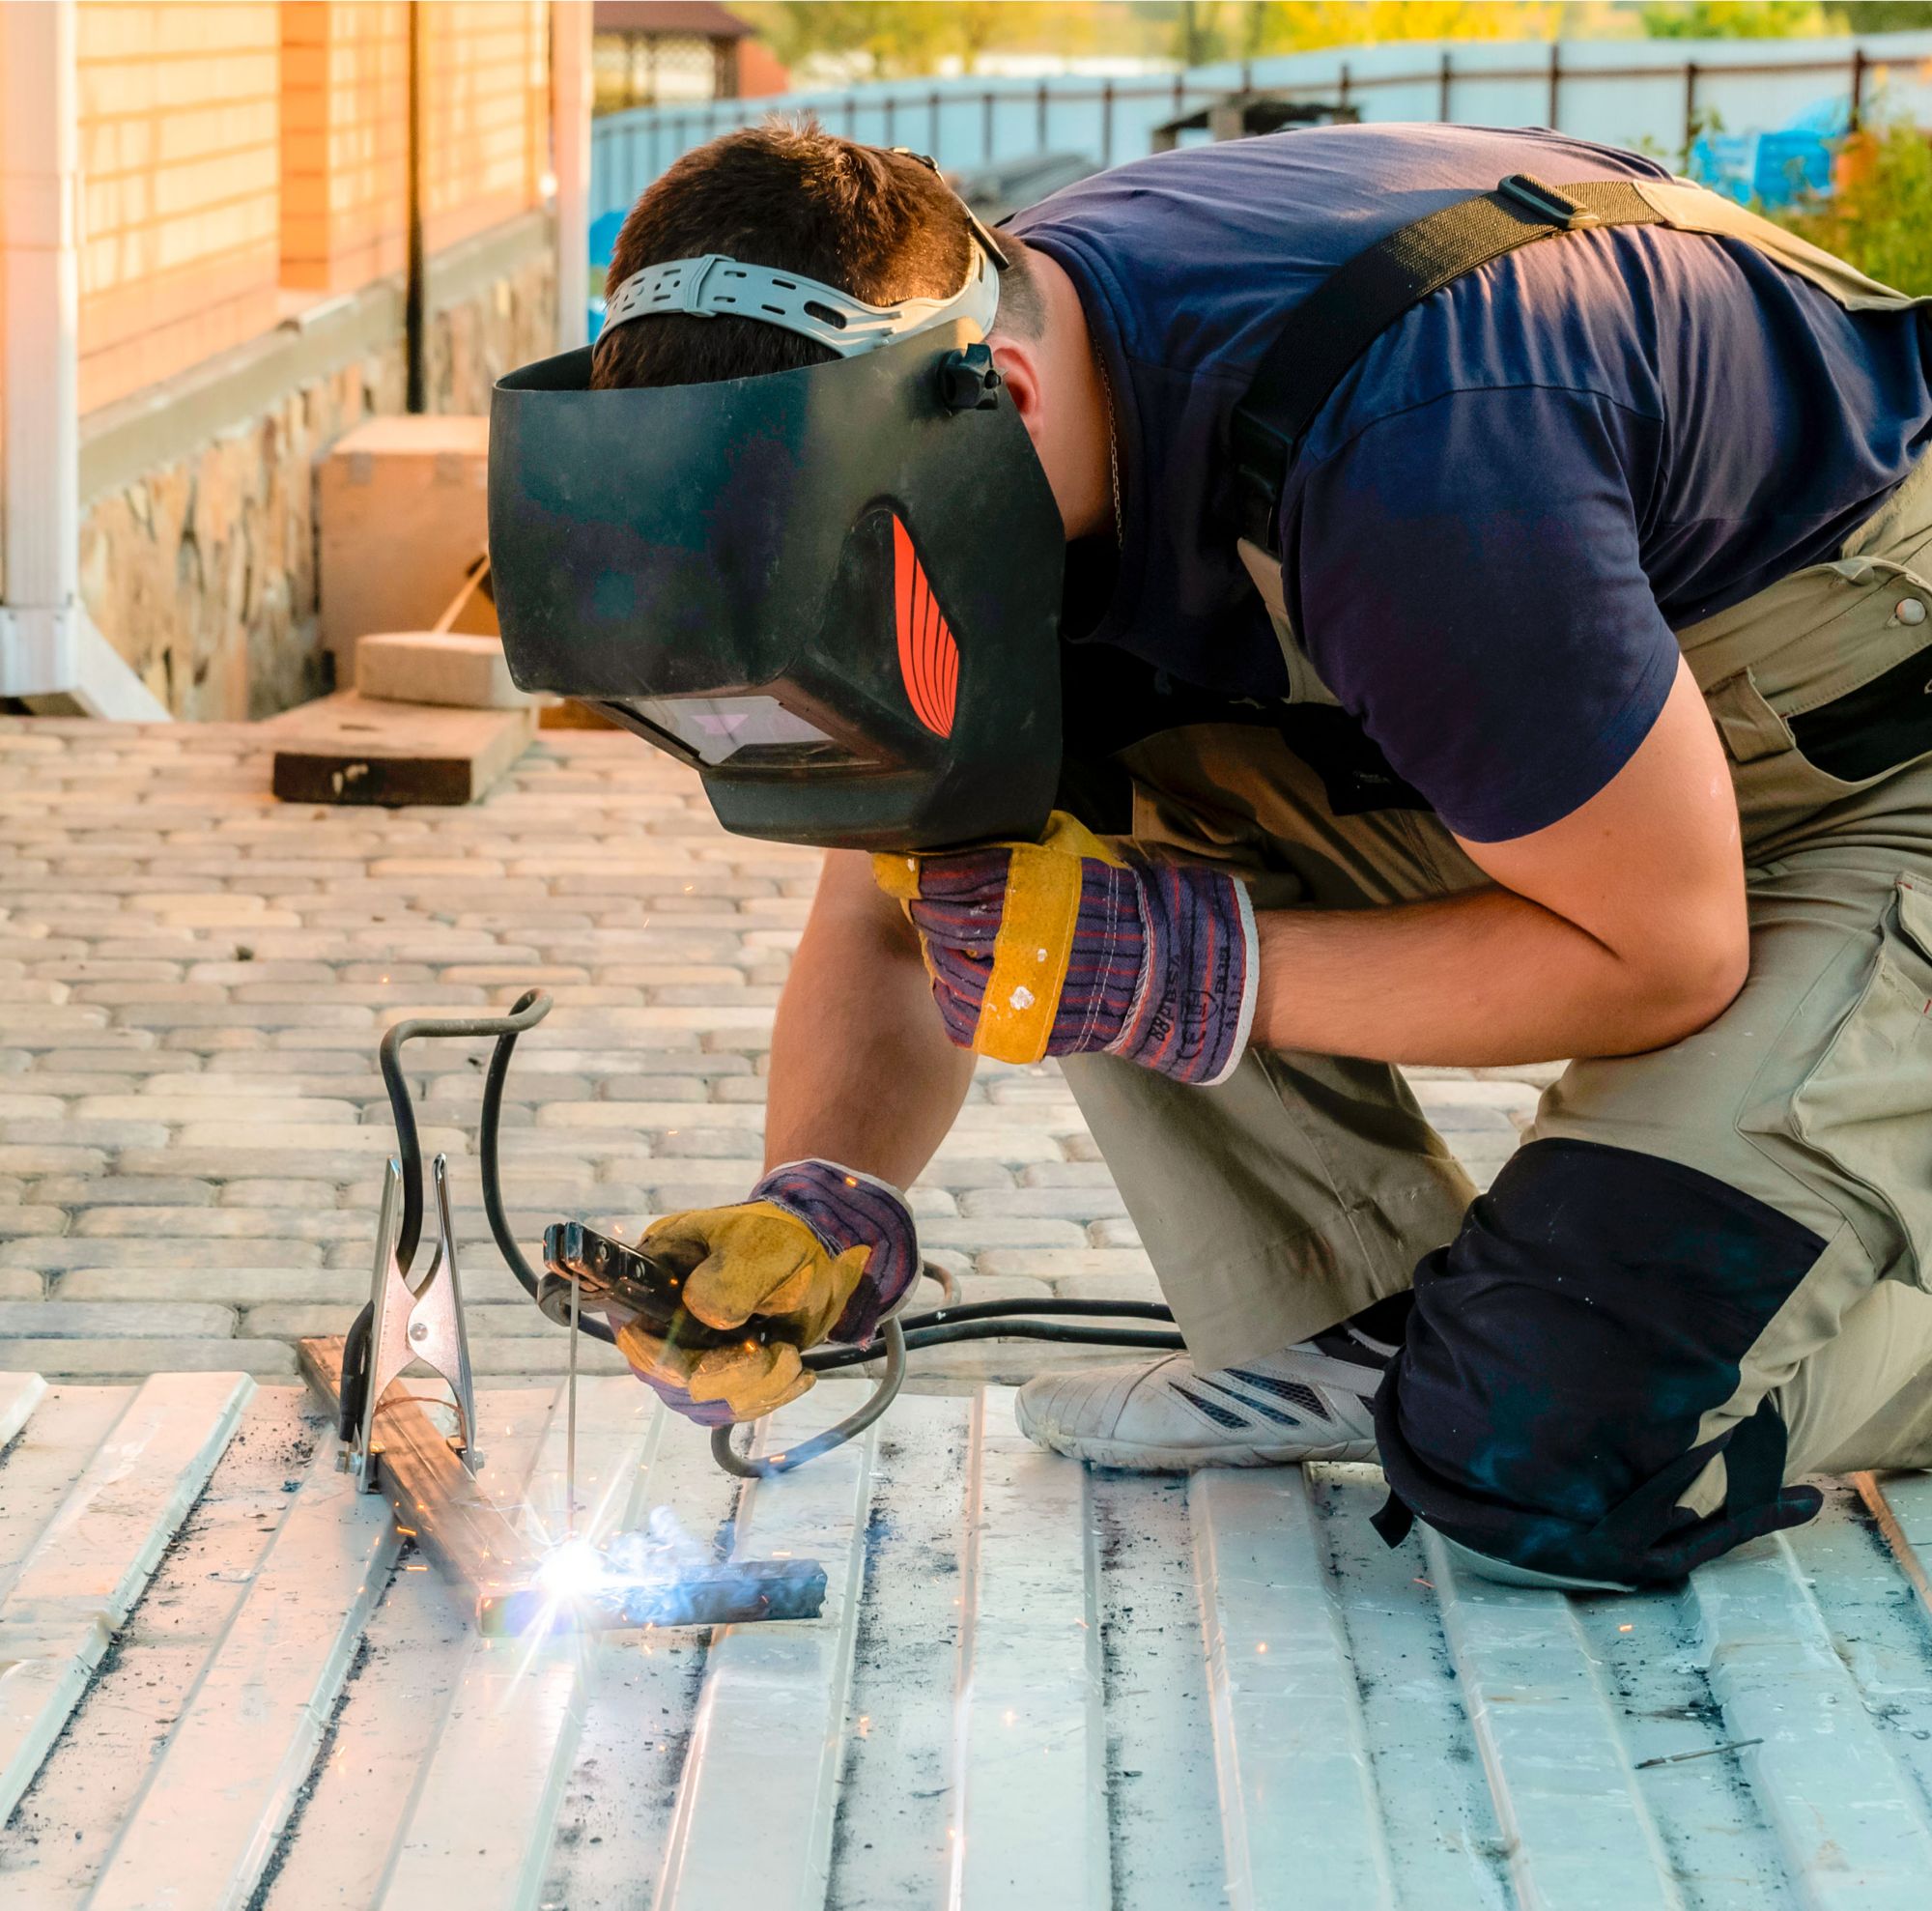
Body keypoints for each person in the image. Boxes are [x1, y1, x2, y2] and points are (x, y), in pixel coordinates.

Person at [585, 117, 1932, 1590]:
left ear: (1004, 397)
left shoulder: (1421, 455)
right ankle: (1350, 1327)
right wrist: (822, 1193)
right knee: (1035, 801)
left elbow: (1662, 952)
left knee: (1548, 1454)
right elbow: (901, 893)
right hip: (1621, 731)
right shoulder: (980, 376)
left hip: (1876, 770)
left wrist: (1181, 967)